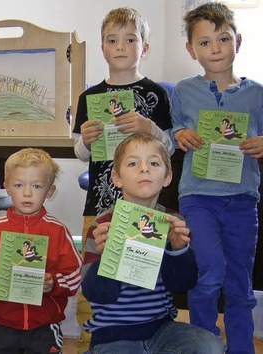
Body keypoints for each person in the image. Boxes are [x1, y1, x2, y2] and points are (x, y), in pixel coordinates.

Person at [71, 8, 173, 351]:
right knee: (95, 279)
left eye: (130, 39)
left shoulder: (156, 93)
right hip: (100, 205)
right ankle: (94, 343)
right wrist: (84, 139)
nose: (121, 46)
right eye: (112, 40)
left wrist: (150, 128)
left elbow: (169, 148)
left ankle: (144, 337)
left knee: (144, 279)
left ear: (143, 47)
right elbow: (80, 154)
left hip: (147, 208)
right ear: (102, 47)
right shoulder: (89, 97)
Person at [171, 3, 263, 353]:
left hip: (242, 198)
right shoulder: (183, 90)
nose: (216, 49)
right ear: (191, 50)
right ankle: (205, 344)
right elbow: (174, 128)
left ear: (238, 41)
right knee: (208, 274)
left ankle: (241, 347)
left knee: (240, 283)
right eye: (205, 42)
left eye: (223, 39)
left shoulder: (257, 93)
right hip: (198, 198)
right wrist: (180, 134)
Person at [81, 132, 224, 354]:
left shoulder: (173, 222)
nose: (144, 169)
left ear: (167, 177)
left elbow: (182, 284)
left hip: (161, 329)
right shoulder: (102, 226)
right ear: (117, 178)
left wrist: (178, 250)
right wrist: (107, 256)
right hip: (113, 334)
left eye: (154, 163)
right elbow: (96, 294)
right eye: (133, 163)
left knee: (211, 346)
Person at [0, 148, 82, 354]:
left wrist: (54, 282)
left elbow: (75, 276)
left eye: (37, 186)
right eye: (18, 185)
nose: (27, 193)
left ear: (49, 191)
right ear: (6, 187)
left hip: (44, 326)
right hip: (2, 324)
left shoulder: (58, 231)